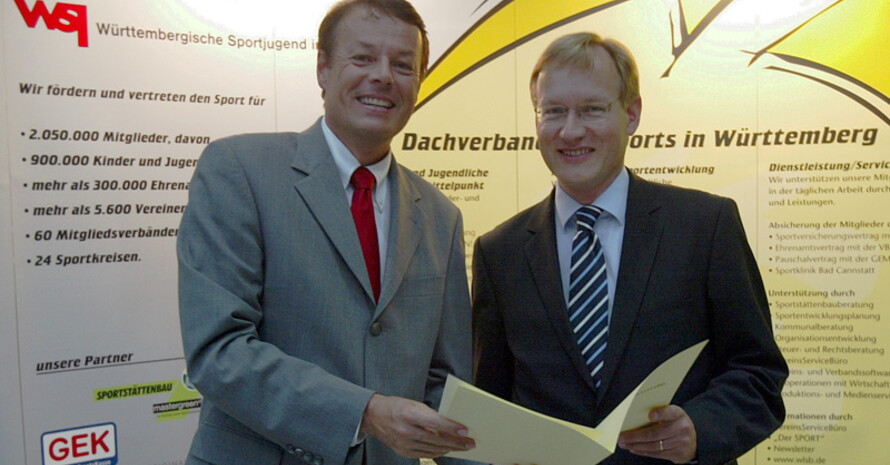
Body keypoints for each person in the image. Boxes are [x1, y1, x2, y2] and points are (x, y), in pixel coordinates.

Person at [177, 1, 476, 464]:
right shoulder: (239, 171)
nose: (383, 76)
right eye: (362, 58)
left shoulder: (440, 216)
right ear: (322, 68)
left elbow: (446, 387)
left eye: (403, 65)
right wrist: (366, 413)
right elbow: (219, 352)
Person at [472, 32, 787, 465]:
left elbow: (758, 372)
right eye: (554, 111)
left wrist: (699, 428)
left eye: (592, 110)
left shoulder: (704, 226)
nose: (571, 130)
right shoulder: (499, 252)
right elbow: (489, 405)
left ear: (632, 114)